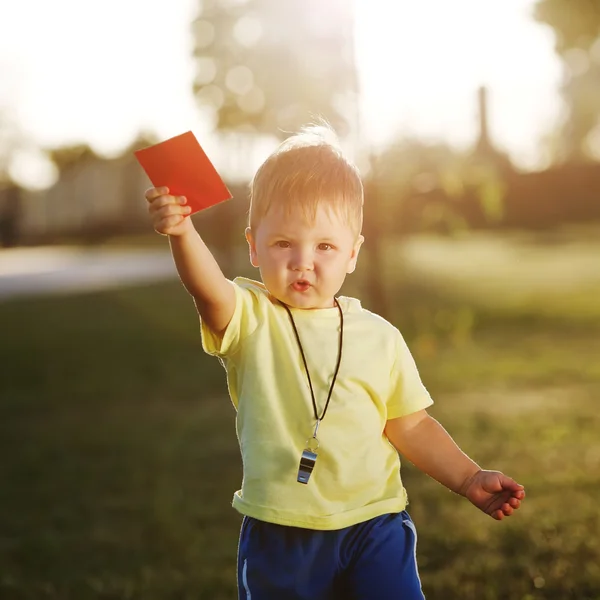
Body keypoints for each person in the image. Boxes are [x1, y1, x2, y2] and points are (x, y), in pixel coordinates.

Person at [145, 125, 525, 600]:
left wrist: (469, 477)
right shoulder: (251, 317)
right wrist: (182, 232)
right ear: (253, 246)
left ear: (352, 253)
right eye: (284, 243)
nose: (304, 261)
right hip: (283, 531)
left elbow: (411, 426)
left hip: (374, 524)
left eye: (324, 246)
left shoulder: (380, 337)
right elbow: (208, 289)